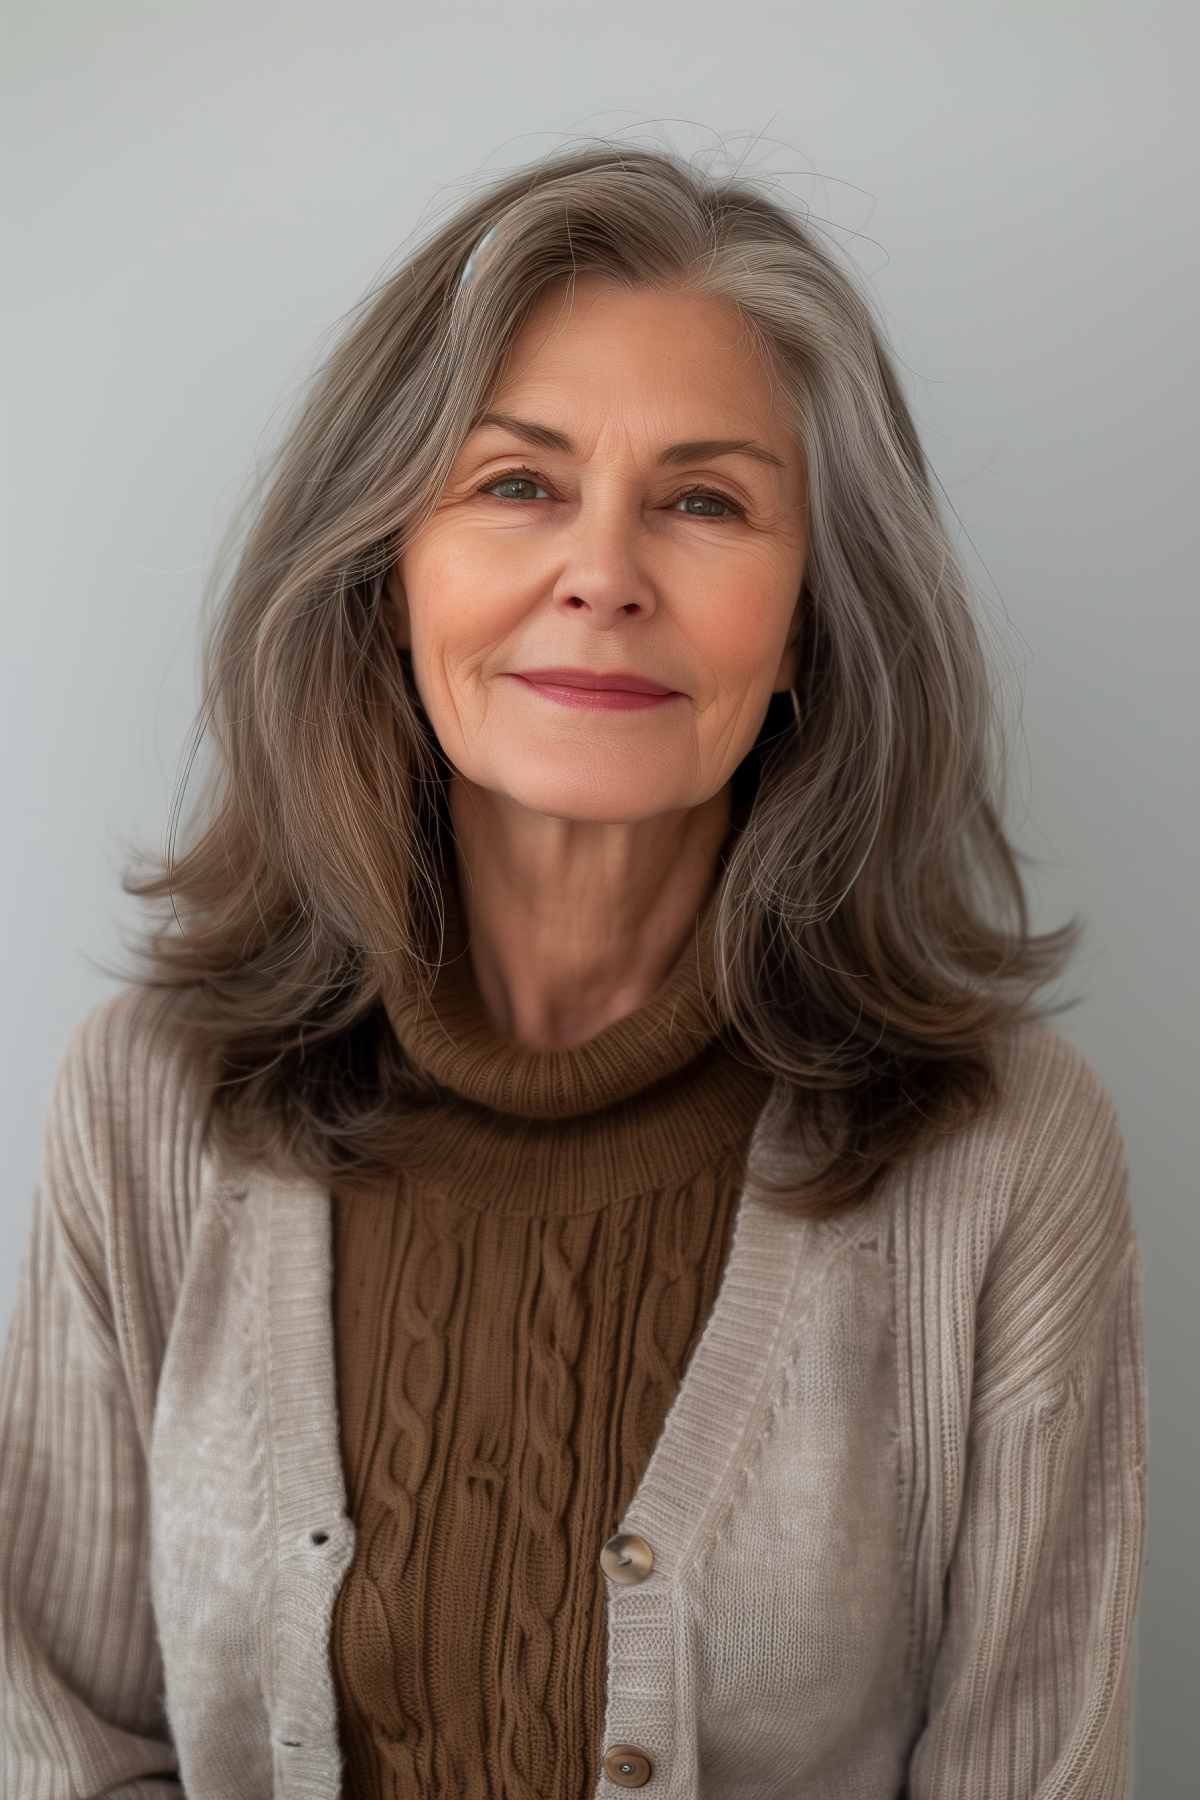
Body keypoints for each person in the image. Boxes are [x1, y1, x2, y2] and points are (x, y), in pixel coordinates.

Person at [0, 142, 1147, 1799]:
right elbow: (47, 1737)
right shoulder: (152, 1101)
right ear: (389, 571)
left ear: (813, 621)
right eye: (518, 484)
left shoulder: (1000, 1149)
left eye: (705, 501)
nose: (603, 574)